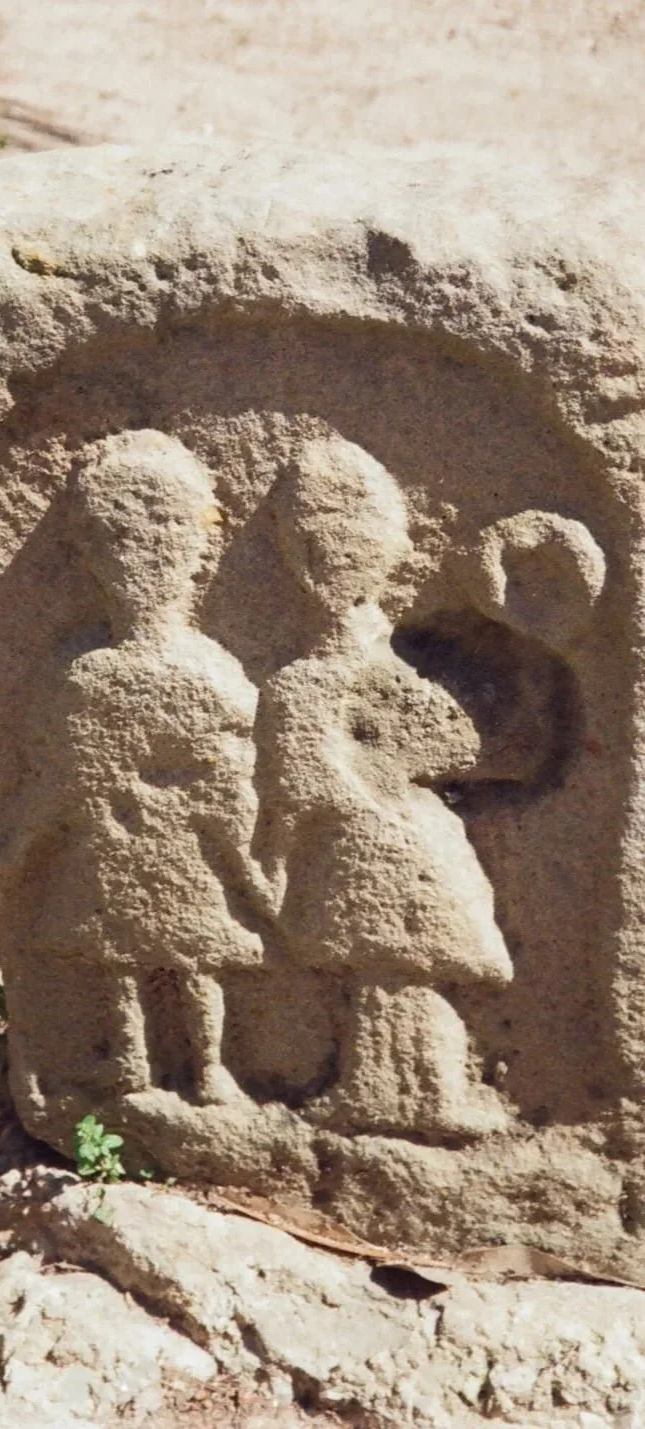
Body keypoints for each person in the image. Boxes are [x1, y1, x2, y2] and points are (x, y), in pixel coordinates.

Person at [0, 429, 272, 1109]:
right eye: (118, 538)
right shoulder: (80, 676)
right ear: (89, 553)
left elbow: (237, 769)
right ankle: (128, 1062)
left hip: (186, 850)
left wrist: (249, 854)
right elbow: (57, 776)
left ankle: (209, 1066)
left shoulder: (211, 672)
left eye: (163, 534)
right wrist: (16, 843)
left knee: (195, 959)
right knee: (115, 959)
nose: (141, 557)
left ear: (200, 547)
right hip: (107, 849)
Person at [254, 434, 513, 1136]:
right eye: (312, 536)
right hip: (346, 849)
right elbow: (295, 779)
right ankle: (375, 1092)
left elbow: (467, 741)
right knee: (373, 980)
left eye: (349, 531)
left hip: (402, 842)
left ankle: (434, 1094)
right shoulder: (301, 680)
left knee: (410, 977)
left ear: (390, 543)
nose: (331, 552)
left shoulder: (392, 669)